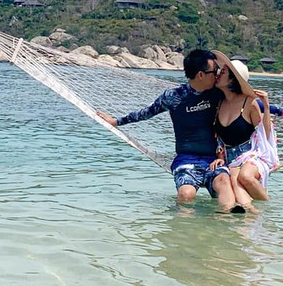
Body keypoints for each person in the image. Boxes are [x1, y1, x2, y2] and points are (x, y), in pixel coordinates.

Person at [96, 49, 247, 212]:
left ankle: (225, 223)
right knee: (186, 194)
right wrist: (117, 121)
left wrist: (273, 110)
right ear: (201, 75)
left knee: (224, 183)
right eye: (213, 71)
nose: (217, 75)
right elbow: (146, 113)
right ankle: (181, 233)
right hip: (186, 159)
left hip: (213, 159)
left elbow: (242, 103)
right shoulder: (174, 96)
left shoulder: (218, 93)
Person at [213, 54, 283, 204]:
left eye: (223, 72)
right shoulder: (218, 102)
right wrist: (219, 156)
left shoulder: (250, 103)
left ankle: (267, 207)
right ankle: (253, 218)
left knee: (244, 177)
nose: (218, 74)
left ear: (232, 79)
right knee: (235, 185)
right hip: (230, 158)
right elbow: (217, 135)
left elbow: (265, 133)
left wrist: (270, 108)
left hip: (252, 154)